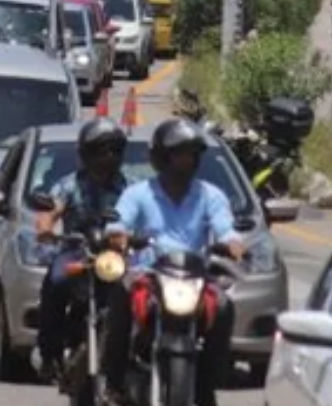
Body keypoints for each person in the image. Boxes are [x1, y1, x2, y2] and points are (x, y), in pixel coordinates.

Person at [101, 119, 244, 406]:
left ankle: (208, 381)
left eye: (191, 155)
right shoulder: (138, 194)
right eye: (179, 154)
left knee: (225, 306)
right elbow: (117, 227)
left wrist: (233, 244)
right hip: (149, 276)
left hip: (195, 279)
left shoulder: (210, 195)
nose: (186, 161)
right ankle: (113, 382)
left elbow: (226, 228)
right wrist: (120, 238)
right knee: (121, 296)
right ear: (161, 158)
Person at [34, 118, 132, 383]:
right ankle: (50, 354)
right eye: (101, 150)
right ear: (86, 153)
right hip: (77, 253)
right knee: (56, 281)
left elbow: (142, 220)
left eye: (114, 150)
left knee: (136, 293)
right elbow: (49, 211)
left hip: (113, 259)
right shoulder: (69, 185)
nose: (108, 157)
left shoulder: (129, 189)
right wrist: (46, 228)